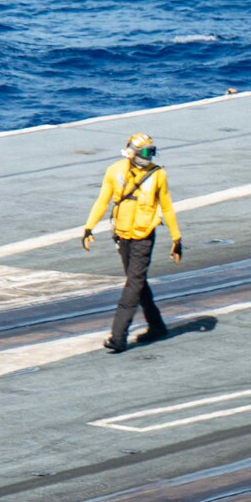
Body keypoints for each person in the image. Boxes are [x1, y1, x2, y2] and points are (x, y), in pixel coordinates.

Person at [81, 132, 182, 353]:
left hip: (144, 236)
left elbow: (166, 207)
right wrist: (89, 227)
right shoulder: (114, 171)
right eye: (145, 152)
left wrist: (176, 237)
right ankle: (157, 326)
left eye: (151, 152)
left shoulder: (158, 175)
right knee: (138, 282)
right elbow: (102, 201)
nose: (149, 156)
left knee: (133, 285)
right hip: (122, 235)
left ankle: (118, 336)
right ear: (131, 153)